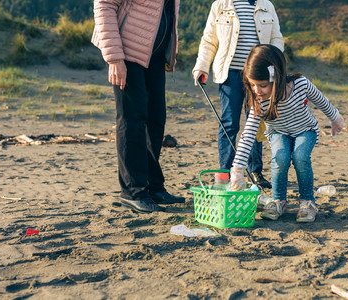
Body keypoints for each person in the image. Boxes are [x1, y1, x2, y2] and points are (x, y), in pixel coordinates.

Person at [229, 45, 345, 222]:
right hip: (278, 132)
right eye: (252, 85)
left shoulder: (300, 84)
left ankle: (307, 202)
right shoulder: (259, 102)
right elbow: (248, 135)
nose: (257, 90)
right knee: (280, 158)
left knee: (300, 157)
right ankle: (278, 201)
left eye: (262, 85)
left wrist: (335, 119)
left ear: (277, 77)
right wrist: (237, 169)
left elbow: (322, 101)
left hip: (305, 129)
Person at [92, 0, 185, 213]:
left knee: (156, 119)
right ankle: (133, 191)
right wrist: (115, 58)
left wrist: (170, 50)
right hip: (127, 52)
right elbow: (104, 5)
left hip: (154, 55)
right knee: (132, 120)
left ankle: (152, 186)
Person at [192, 0, 284, 189]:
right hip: (230, 75)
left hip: (258, 76)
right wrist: (201, 67)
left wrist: (273, 70)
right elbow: (209, 40)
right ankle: (225, 171)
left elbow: (276, 40)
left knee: (256, 122)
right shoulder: (220, 5)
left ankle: (255, 171)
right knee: (229, 123)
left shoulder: (266, 5)